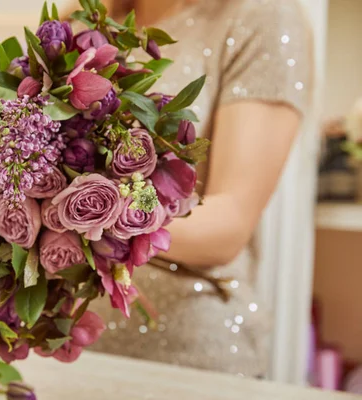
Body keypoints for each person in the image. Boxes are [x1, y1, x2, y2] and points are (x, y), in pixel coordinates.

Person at [83, 0, 314, 377]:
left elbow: (229, 223)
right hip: (72, 341)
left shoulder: (261, 16)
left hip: (186, 352)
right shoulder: (85, 16)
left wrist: (88, 218)